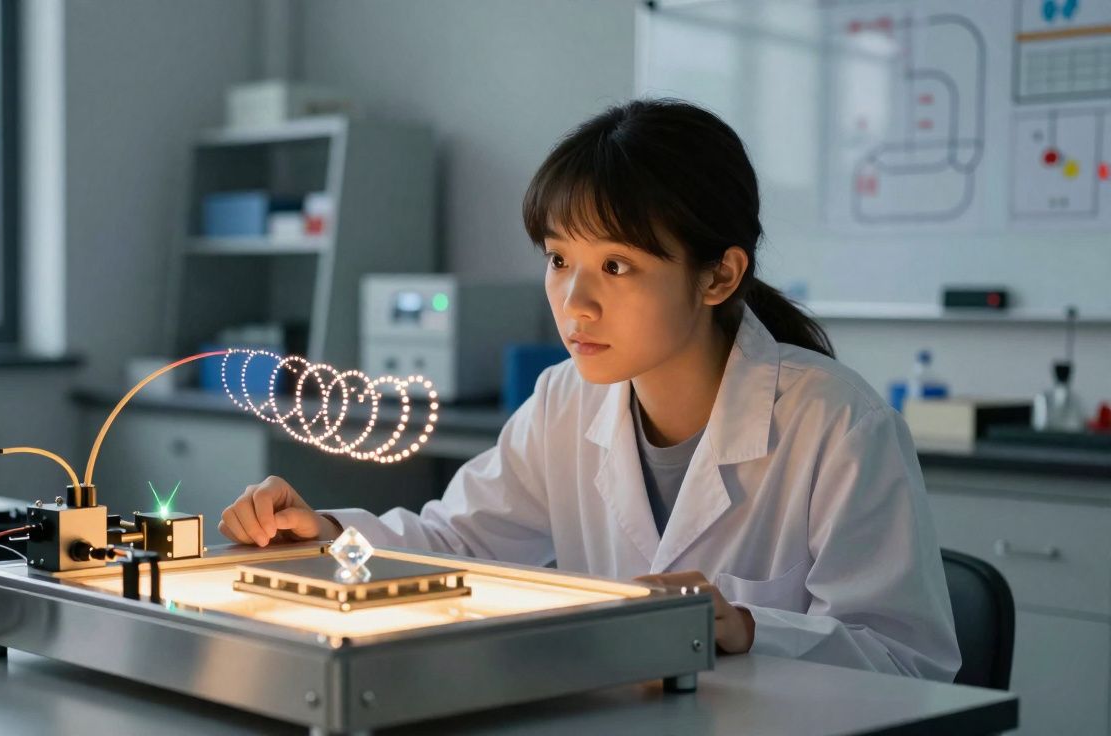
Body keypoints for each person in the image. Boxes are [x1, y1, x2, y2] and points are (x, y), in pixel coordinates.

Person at [219, 99, 960, 681]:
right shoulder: (563, 402)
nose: (574, 302)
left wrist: (750, 628)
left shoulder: (837, 424)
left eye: (616, 267)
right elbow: (458, 541)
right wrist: (327, 534)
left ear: (719, 276)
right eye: (557, 258)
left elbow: (909, 663)